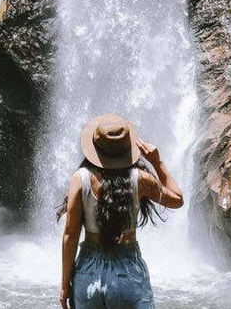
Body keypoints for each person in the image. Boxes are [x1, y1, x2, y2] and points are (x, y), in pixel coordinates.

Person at [58, 112, 184, 309]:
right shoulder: (140, 179)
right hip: (127, 273)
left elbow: (70, 234)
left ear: (95, 149)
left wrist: (65, 285)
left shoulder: (80, 179)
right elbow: (177, 200)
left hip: (88, 273)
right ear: (128, 148)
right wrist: (157, 163)